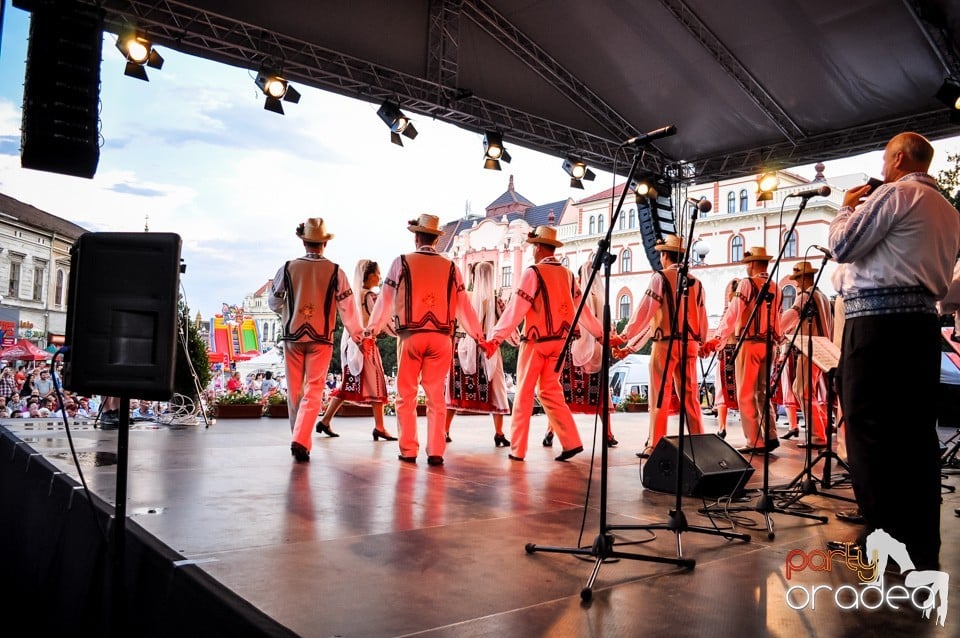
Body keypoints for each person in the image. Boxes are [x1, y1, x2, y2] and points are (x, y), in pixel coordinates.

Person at [826, 131, 959, 570]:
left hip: (877, 329)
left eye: (886, 158)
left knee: (869, 433)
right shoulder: (949, 211)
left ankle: (882, 543)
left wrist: (846, 206)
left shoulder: (898, 194)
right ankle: (920, 544)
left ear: (900, 157)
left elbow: (843, 245)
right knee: (915, 437)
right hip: (921, 328)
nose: (882, 167)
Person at [366, 214, 487, 466]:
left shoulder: (401, 262)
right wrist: (479, 336)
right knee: (436, 396)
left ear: (416, 236)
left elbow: (385, 300)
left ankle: (409, 449)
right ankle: (436, 451)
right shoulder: (451, 267)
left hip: (411, 335)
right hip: (442, 337)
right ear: (435, 239)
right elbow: (464, 306)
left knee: (406, 394)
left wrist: (371, 331)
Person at [485, 225, 604, 462]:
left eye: (533, 247)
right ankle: (571, 441)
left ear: (538, 247)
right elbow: (583, 312)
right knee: (550, 390)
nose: (533, 251)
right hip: (560, 344)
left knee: (525, 393)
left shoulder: (533, 273)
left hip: (536, 341)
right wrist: (600, 334)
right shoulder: (568, 276)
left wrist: (495, 339)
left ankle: (517, 449)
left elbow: (516, 310)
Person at [268, 217, 365, 463]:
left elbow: (274, 301)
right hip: (321, 336)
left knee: (295, 391)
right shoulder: (335, 271)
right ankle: (301, 439)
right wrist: (357, 335)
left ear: (304, 243)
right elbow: (347, 307)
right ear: (324, 243)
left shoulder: (288, 268)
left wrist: (289, 311)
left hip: (293, 335)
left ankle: (298, 437)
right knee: (313, 389)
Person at [613, 235, 707, 458]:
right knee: (691, 396)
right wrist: (701, 340)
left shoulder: (660, 278)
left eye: (661, 255)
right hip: (690, 344)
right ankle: (700, 444)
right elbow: (702, 317)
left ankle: (655, 444)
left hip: (665, 344)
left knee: (659, 395)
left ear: (665, 255)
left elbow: (646, 313)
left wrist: (626, 336)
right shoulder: (697, 282)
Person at [704, 246, 782, 454]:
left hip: (749, 343)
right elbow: (778, 319)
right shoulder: (776, 286)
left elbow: (733, 313)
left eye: (748, 263)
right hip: (770, 344)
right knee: (763, 392)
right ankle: (771, 433)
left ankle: (754, 441)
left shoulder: (747, 284)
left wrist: (717, 339)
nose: (746, 267)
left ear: (753, 263)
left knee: (746, 393)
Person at [316, 259, 396, 441]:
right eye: (377, 273)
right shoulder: (370, 297)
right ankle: (380, 427)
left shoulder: (353, 295)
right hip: (365, 344)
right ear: (369, 275)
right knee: (377, 384)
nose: (380, 277)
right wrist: (400, 331)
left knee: (349, 383)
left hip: (351, 343)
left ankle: (326, 420)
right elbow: (383, 321)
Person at [545, 262, 616, 446]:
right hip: (598, 352)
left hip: (574, 349)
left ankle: (551, 431)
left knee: (562, 394)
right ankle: (608, 434)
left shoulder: (576, 296)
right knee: (600, 396)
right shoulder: (602, 297)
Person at [444, 262, 514, 448]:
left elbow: (451, 321)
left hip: (462, 347)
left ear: (473, 276)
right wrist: (518, 341)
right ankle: (499, 433)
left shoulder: (463, 298)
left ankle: (444, 430)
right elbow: (508, 325)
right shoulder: (497, 301)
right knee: (497, 390)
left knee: (454, 390)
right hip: (488, 348)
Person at [779, 260, 833, 448]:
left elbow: (789, 319)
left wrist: (776, 329)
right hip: (822, 348)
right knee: (804, 389)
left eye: (797, 279)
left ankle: (818, 435)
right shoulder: (822, 296)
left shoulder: (804, 297)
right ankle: (820, 430)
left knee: (802, 390)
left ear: (803, 278)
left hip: (809, 349)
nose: (796, 283)